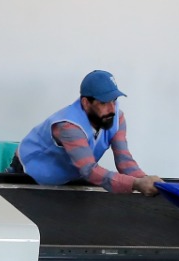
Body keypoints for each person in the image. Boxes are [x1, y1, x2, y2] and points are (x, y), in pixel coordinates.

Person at [12, 70, 163, 195]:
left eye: (114, 100)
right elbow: (89, 171)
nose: (112, 109)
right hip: (28, 174)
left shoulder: (117, 117)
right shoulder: (68, 126)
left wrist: (145, 180)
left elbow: (124, 160)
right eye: (103, 103)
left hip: (66, 176)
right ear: (85, 102)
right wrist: (136, 184)